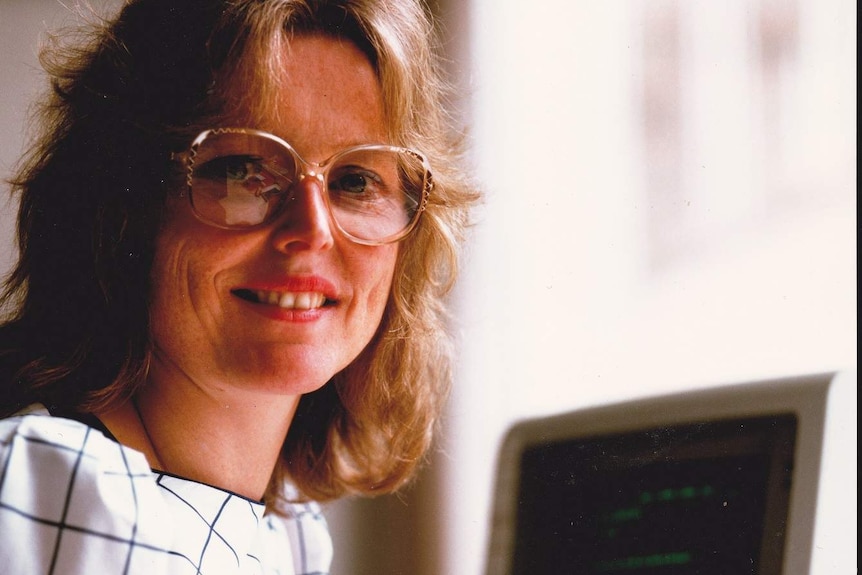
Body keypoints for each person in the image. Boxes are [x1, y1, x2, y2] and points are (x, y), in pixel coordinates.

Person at [0, 0, 479, 573]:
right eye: (242, 171)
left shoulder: (291, 537)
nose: (312, 231)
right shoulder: (36, 487)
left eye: (355, 180)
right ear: (122, 209)